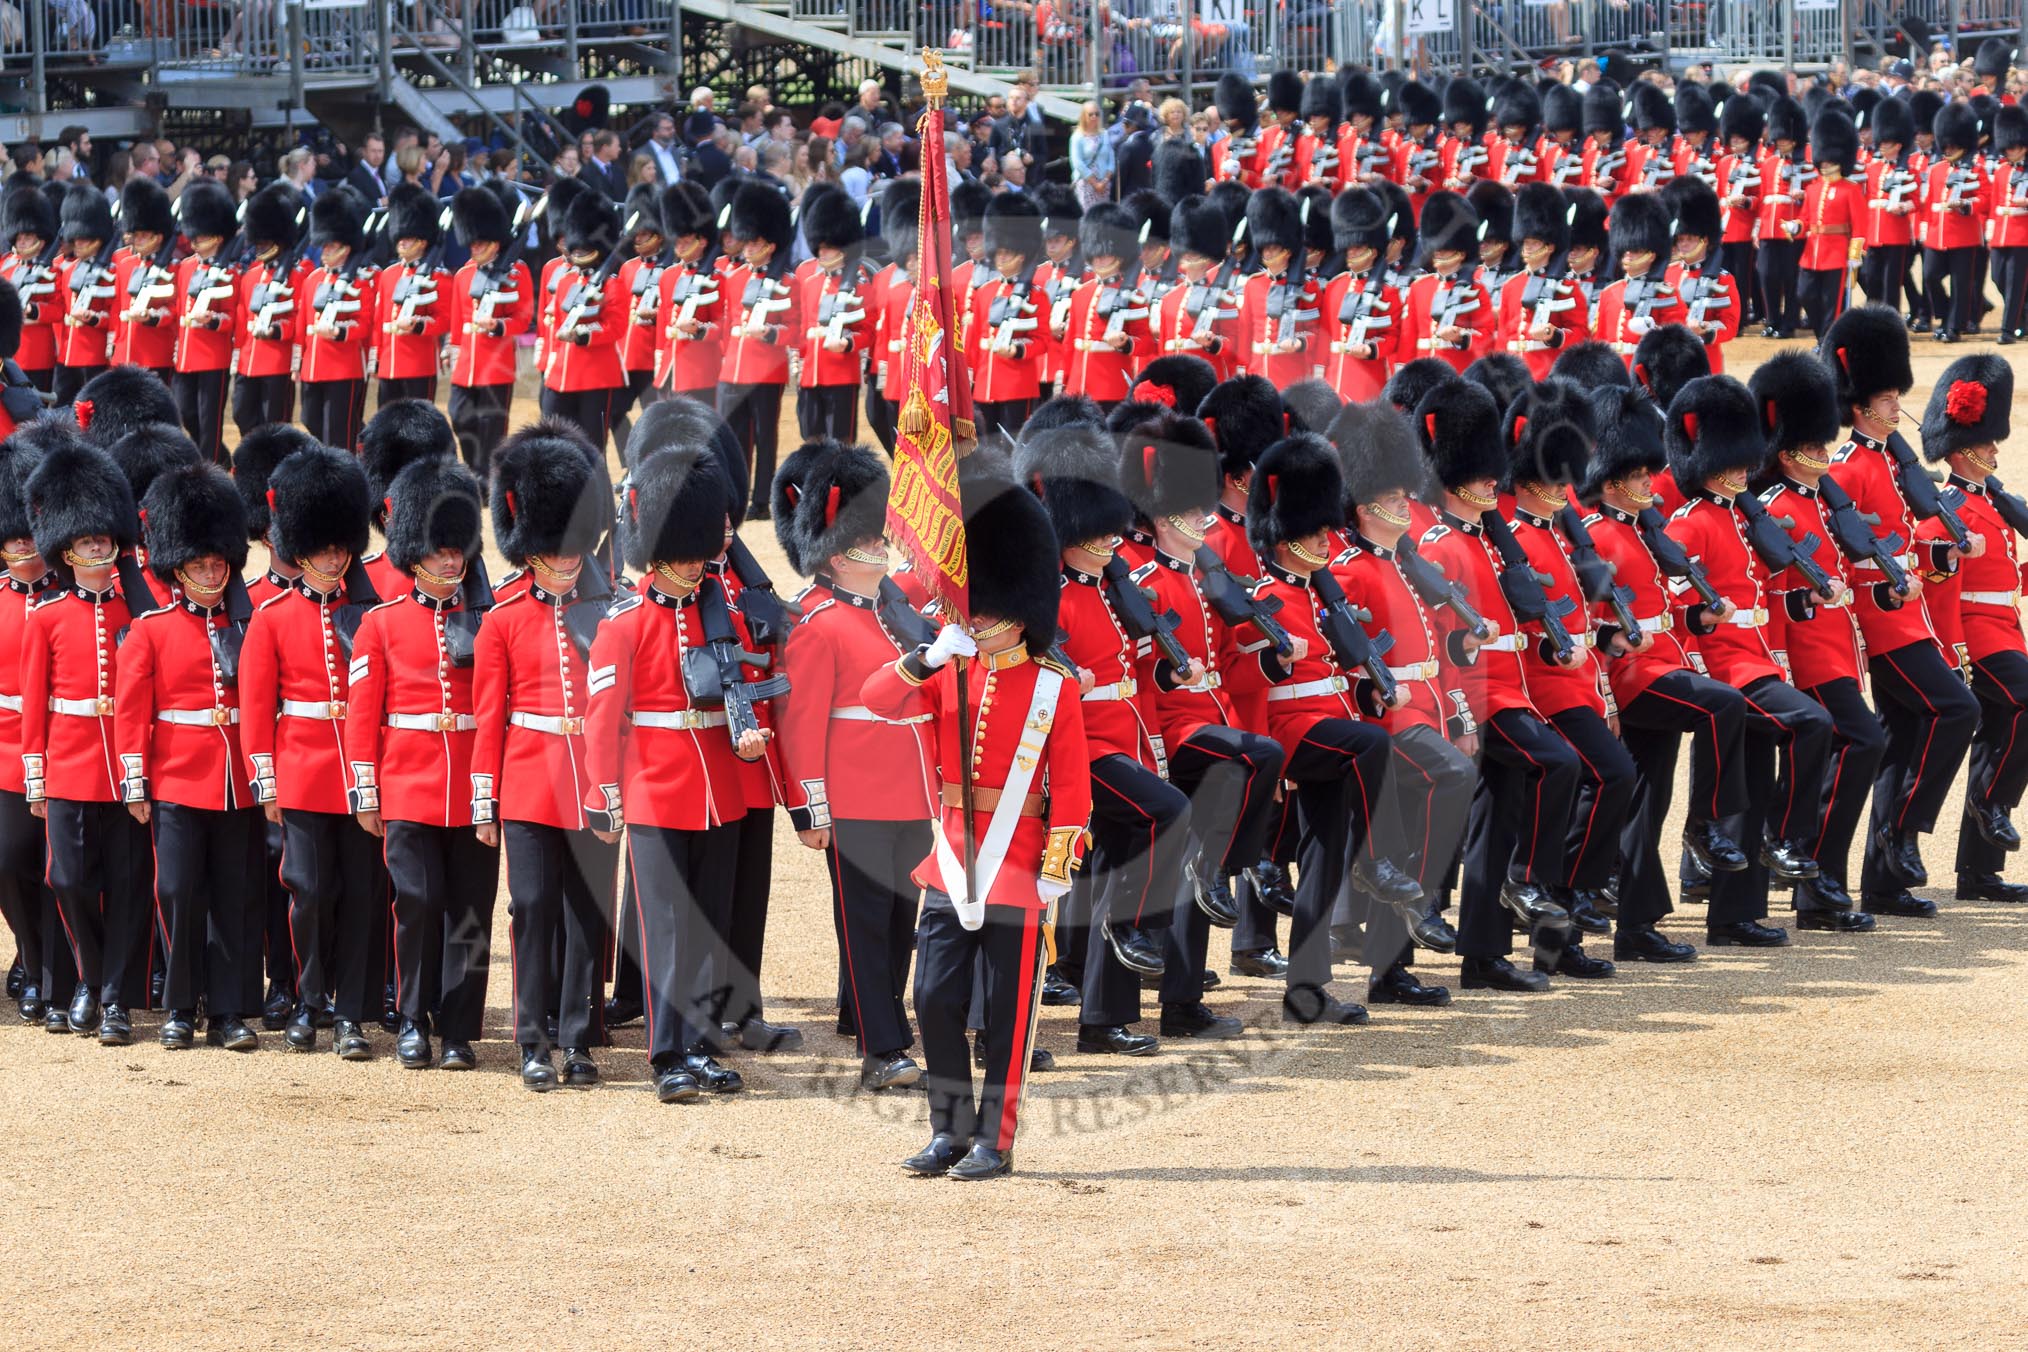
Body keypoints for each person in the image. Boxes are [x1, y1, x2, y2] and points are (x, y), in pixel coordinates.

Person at [864, 456, 1089, 1181]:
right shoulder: (948, 670)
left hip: (1018, 866)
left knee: (1008, 1017)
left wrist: (1057, 869)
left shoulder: (1054, 687)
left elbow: (1072, 788)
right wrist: (926, 658)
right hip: (953, 859)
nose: (978, 617)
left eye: (988, 609)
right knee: (933, 999)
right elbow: (877, 700)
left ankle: (996, 1139)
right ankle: (949, 1131)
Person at [586, 444, 765, 1104]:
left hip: (718, 788)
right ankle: (667, 1054)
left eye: (699, 550)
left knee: (709, 926)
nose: (695, 563)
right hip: (655, 790)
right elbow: (603, 720)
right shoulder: (624, 623)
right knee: (665, 928)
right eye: (683, 552)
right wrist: (605, 796)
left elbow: (740, 695)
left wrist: (750, 737)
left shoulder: (723, 613)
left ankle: (701, 1044)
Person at [774, 439, 936, 1090]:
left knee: (899, 921)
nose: (880, 546)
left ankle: (867, 1016)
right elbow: (801, 726)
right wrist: (811, 809)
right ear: (839, 554)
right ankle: (882, 1048)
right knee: (866, 924)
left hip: (911, 792)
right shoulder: (813, 622)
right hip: (855, 796)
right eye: (868, 539)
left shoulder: (894, 616)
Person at [1015, 422, 1175, 1055]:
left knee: (1114, 869)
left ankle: (1104, 1020)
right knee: (1166, 813)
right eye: (1099, 530)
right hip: (1078, 754)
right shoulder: (1050, 595)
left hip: (1120, 743)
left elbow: (1129, 675)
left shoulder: (1108, 588)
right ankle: (1137, 927)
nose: (1112, 539)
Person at [1579, 376, 1752, 959]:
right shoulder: (1596, 538)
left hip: (1663, 667)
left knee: (1645, 804)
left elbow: (1662, 611)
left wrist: (1699, 617)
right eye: (1637, 477)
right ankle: (1706, 824)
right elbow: (1589, 626)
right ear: (1610, 482)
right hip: (1633, 679)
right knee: (1724, 704)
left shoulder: (1642, 531)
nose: (1649, 483)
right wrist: (1604, 697)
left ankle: (1636, 928)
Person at [1663, 374, 1837, 947]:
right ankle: (1784, 837)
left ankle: (1734, 918)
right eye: (1733, 461)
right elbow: (1677, 609)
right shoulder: (1688, 522)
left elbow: (1760, 598)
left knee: (1751, 791)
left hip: (1758, 662)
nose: (1744, 470)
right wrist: (1702, 654)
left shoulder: (1742, 520)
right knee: (1812, 722)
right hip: (1729, 673)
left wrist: (1804, 601)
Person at [1821, 305, 1980, 916]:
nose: (1897, 406)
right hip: (1880, 622)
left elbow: (1901, 541)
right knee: (1957, 708)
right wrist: (1883, 591)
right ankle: (1902, 828)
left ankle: (1883, 883)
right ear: (1862, 406)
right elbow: (1841, 553)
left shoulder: (1891, 461)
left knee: (1901, 738)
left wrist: (1940, 552)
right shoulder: (1848, 467)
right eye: (1887, 398)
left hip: (1909, 616)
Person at [344, 453, 499, 1072]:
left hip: (472, 788)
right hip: (407, 784)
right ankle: (412, 1018)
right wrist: (366, 791)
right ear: (414, 555)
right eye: (439, 551)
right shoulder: (379, 625)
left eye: (457, 550)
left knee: (471, 914)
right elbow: (363, 714)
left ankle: (459, 1028)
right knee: (416, 902)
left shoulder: (488, 622)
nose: (451, 561)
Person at [472, 422, 616, 1090]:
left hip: (592, 782)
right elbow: (489, 717)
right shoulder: (501, 617)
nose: (565, 561)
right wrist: (485, 799)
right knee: (531, 908)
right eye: (553, 550)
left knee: (587, 915)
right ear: (529, 550)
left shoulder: (609, 609)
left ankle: (577, 1038)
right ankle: (532, 1039)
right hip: (528, 780)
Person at [116, 463, 266, 1050]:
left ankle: (228, 1011)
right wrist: (135, 781)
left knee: (235, 896)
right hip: (176, 778)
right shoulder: (151, 629)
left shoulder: (249, 625)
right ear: (177, 567)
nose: (211, 572)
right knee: (177, 891)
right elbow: (133, 712)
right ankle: (180, 1006)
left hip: (236, 780)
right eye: (200, 564)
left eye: (218, 563)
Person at [19, 436, 150, 1043]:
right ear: (65, 550)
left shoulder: (138, 611)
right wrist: (37, 776)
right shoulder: (46, 616)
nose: (98, 548)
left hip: (124, 768)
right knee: (67, 881)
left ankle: (114, 998)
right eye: (87, 541)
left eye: (103, 539)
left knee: (126, 887)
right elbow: (35, 702)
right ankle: (88, 979)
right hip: (69, 766)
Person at [1746, 351, 1882, 929]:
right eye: (1813, 446)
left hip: (1837, 650)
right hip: (1806, 655)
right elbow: (1769, 590)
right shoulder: (1775, 508)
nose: (1825, 454)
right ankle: (1805, 862)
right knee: (1863, 740)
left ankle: (1818, 888)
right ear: (1786, 453)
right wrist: (1781, 655)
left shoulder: (1821, 502)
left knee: (1851, 747)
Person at [1912, 354, 2028, 902]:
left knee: (2000, 733)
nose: (1996, 451)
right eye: (1987, 444)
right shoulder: (1946, 506)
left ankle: (1978, 874)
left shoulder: (1995, 504)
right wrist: (1953, 650)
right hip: (1976, 633)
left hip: (2006, 626)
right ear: (1962, 451)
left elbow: (2005, 575)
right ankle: (1992, 802)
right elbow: (1938, 580)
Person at [718, 181, 797, 518]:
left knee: (764, 438)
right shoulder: (734, 278)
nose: (748, 248)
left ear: (770, 245)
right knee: (732, 437)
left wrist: (770, 334)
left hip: (766, 370)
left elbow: (795, 328)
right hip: (733, 369)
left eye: (755, 243)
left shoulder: (787, 282)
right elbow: (727, 323)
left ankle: (762, 500)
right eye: (747, 242)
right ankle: (735, 495)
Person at [541, 190, 626, 453]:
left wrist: (584, 335)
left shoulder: (613, 285)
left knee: (591, 449)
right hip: (561, 375)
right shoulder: (565, 281)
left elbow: (616, 327)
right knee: (554, 442)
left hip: (595, 376)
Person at [293, 189, 375, 452]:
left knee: (338, 433)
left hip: (344, 366)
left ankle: (346, 467)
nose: (325, 251)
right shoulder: (313, 279)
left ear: (346, 247)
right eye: (325, 245)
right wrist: (298, 362)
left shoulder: (360, 281)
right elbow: (302, 323)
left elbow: (364, 324)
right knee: (310, 418)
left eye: (332, 246)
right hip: (313, 366)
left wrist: (339, 332)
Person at [966, 194, 1050, 439]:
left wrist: (1017, 350)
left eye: (1007, 253)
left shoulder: (1036, 295)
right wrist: (970, 379)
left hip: (1017, 385)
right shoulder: (985, 292)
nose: (1000, 258)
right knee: (987, 446)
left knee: (1013, 445)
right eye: (998, 253)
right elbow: (974, 342)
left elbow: (1042, 340)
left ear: (1021, 255)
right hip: (984, 383)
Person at [792, 185, 872, 441]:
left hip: (841, 375)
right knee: (811, 441)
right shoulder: (810, 281)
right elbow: (803, 326)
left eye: (828, 247)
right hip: (810, 374)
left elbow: (867, 331)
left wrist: (848, 344)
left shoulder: (858, 281)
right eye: (820, 247)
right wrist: (799, 360)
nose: (822, 253)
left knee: (840, 445)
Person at [168, 180, 240, 464]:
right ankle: (218, 459)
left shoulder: (230, 271)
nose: (195, 241)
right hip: (186, 356)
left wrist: (212, 321)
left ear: (217, 237)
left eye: (201, 236)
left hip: (213, 356)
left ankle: (208, 469)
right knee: (187, 413)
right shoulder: (186, 267)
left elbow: (231, 317)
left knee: (210, 422)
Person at [52, 182, 116, 408]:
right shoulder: (66, 269)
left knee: (92, 412)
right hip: (67, 354)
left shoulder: (111, 270)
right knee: (60, 409)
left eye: (84, 238)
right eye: (75, 238)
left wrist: (94, 319)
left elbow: (113, 314)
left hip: (94, 354)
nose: (77, 243)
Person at [111, 176, 179, 382]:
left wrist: (151, 317)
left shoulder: (173, 268)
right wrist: (114, 343)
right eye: (136, 234)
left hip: (154, 354)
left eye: (144, 235)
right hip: (124, 353)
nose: (137, 240)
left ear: (158, 236)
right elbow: (116, 307)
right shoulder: (124, 263)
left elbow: (174, 310)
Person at [1070, 101, 1114, 209]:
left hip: (1104, 184)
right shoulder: (1077, 137)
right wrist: (1095, 184)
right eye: (1090, 114)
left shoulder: (1104, 134)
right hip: (1085, 184)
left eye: (1097, 114)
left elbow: (1111, 160)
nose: (1094, 117)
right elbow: (1077, 162)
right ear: (1084, 116)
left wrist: (1104, 181)